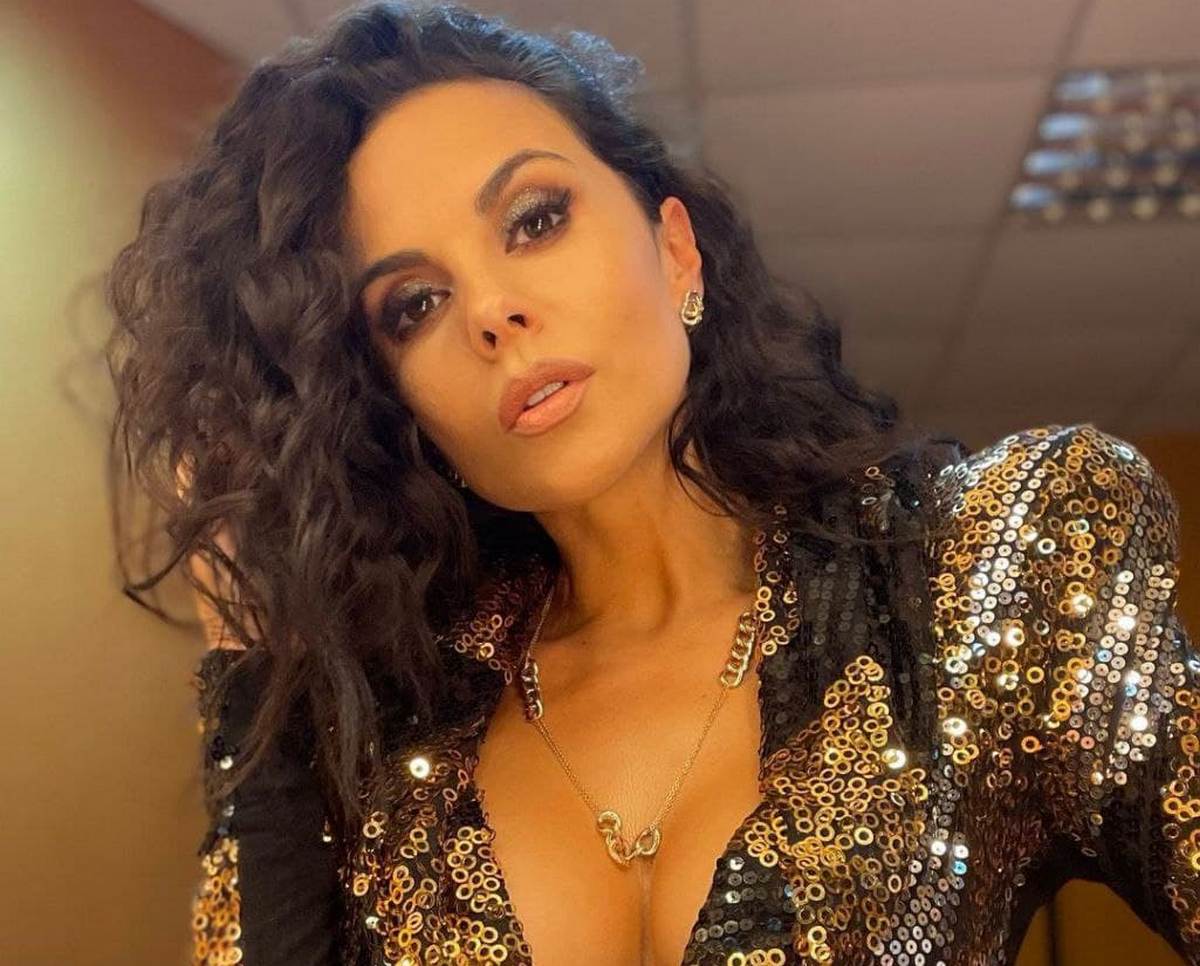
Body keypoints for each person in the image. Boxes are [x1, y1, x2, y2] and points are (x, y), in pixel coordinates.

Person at [105, 2, 1198, 964]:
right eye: (413, 306)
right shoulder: (397, 748)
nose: (490, 311)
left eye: (534, 219)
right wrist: (255, 674)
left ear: (677, 251)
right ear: (396, 404)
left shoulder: (986, 569)